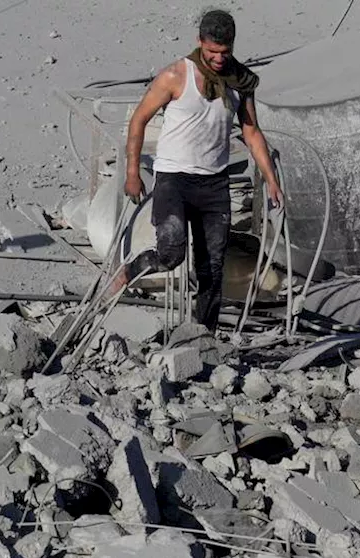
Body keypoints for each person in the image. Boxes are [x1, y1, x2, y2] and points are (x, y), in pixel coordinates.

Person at [110, 9, 283, 331]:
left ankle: (203, 334)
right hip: (174, 178)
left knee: (212, 268)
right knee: (171, 251)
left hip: (214, 184)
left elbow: (252, 132)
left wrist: (271, 180)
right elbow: (139, 120)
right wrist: (132, 172)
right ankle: (133, 268)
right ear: (200, 43)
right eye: (212, 52)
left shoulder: (240, 82)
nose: (218, 59)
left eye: (225, 52)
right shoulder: (176, 75)